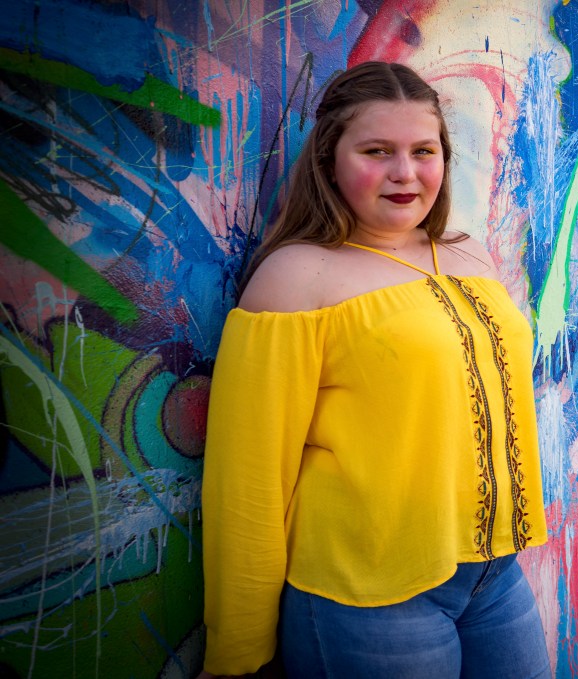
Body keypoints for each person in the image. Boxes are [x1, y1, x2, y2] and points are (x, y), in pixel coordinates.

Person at [199, 61, 550, 678]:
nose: (405, 173)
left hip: (494, 575)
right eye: (377, 151)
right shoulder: (296, 278)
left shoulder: (468, 253)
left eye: (423, 151)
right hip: (371, 596)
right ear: (330, 158)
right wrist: (237, 653)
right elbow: (249, 478)